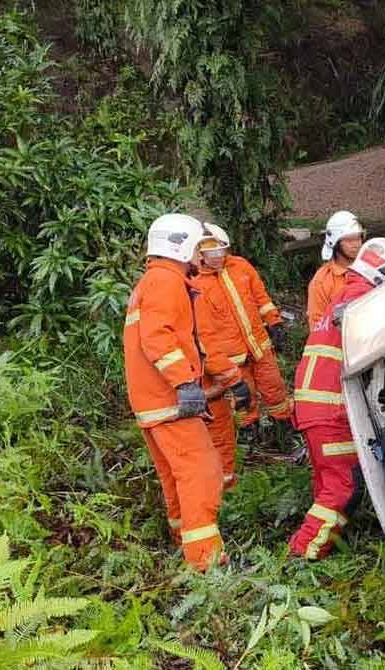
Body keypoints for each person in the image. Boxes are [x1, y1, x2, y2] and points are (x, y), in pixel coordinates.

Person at [288, 237, 385, 559]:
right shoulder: (361, 298)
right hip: (332, 410)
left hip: (315, 406)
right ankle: (303, 553)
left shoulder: (344, 293)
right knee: (343, 486)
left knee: (329, 484)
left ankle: (318, 547)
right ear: (383, 274)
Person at [123, 213, 226, 571]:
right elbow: (158, 338)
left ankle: (184, 543)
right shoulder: (165, 281)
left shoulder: (153, 282)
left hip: (153, 403)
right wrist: (185, 383)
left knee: (177, 477)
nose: (203, 256)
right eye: (200, 247)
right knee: (202, 473)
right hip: (168, 401)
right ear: (181, 245)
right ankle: (206, 563)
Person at [190, 224, 292, 441]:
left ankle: (283, 428)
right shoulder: (196, 284)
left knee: (274, 387)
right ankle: (249, 434)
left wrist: (274, 322)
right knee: (245, 398)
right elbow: (204, 331)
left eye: (221, 251)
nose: (218, 257)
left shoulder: (241, 266)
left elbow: (261, 298)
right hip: (232, 357)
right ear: (200, 254)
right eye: (211, 253)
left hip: (260, 345)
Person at [191, 234, 253, 490]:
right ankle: (221, 491)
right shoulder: (195, 289)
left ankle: (221, 490)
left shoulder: (172, 288)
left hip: (196, 378)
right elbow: (207, 343)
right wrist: (234, 380)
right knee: (217, 438)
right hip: (202, 378)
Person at [306, 211, 365, 330]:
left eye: (358, 238)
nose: (356, 244)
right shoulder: (321, 282)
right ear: (335, 243)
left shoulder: (370, 268)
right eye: (349, 240)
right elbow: (317, 327)